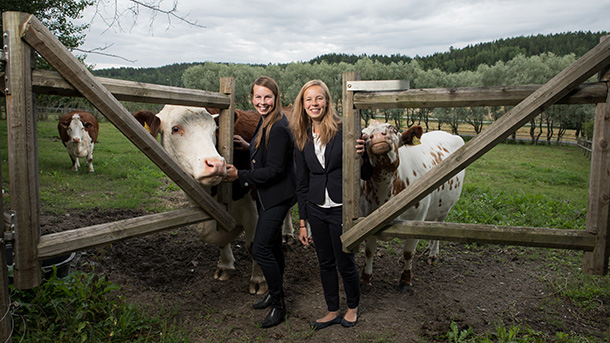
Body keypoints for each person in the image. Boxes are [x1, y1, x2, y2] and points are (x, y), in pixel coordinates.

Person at [290, 79, 371, 330]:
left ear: (327, 101)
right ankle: (332, 309)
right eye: (309, 100)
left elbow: (365, 174)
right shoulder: (301, 136)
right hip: (315, 208)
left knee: (344, 260)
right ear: (302, 105)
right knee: (324, 262)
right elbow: (302, 183)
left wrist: (363, 153)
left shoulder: (344, 130)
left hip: (340, 208)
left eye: (319, 98)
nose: (314, 104)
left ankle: (353, 307)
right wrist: (303, 222)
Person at [224, 76, 296, 329]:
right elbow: (264, 151)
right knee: (275, 247)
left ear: (276, 98)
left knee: (261, 248)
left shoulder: (278, 126)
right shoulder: (265, 121)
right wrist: (249, 146)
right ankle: (274, 294)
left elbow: (275, 170)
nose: (262, 102)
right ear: (251, 98)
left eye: (267, 97)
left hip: (278, 195)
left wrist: (240, 175)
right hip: (270, 195)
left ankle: (279, 304)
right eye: (258, 97)